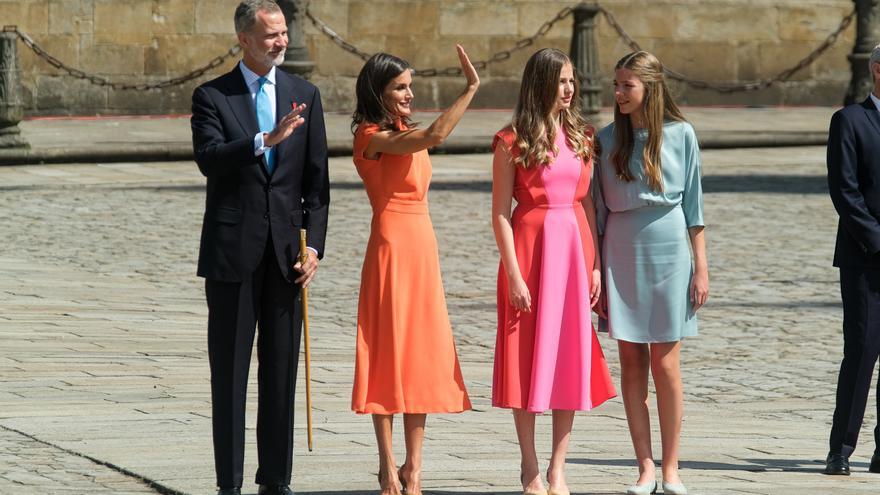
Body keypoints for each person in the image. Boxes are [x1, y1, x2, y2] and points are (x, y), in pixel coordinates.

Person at [190, 1, 329, 494]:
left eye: (284, 32)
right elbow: (209, 160)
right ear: (244, 39)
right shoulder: (213, 96)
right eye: (270, 34)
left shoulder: (304, 94)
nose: (281, 42)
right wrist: (262, 140)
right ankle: (228, 483)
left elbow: (316, 186)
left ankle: (275, 480)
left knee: (280, 374)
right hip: (233, 255)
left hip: (287, 256)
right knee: (229, 376)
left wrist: (316, 250)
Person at [350, 46, 477, 495]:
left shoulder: (404, 129)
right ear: (378, 92)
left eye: (409, 86)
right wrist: (471, 90)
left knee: (420, 353)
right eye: (399, 87)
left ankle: (414, 469)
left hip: (422, 246)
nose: (408, 94)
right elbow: (436, 136)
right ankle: (387, 467)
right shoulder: (370, 136)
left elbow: (425, 139)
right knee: (387, 353)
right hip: (390, 247)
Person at [491, 47, 617, 495]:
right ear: (540, 83)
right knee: (526, 361)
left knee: (568, 361)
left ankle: (559, 468)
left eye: (571, 80)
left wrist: (596, 264)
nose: (569, 88)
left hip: (573, 256)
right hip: (528, 251)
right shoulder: (511, 141)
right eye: (561, 80)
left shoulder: (584, 136)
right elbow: (501, 213)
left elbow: (586, 204)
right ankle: (530, 468)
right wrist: (513, 274)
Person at [594, 51, 708, 495]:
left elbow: (695, 208)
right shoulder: (605, 140)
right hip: (620, 250)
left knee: (666, 363)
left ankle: (671, 468)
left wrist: (702, 268)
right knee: (631, 361)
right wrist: (597, 271)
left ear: (650, 88)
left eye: (628, 86)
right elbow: (598, 212)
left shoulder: (682, 135)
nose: (619, 93)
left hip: (669, 248)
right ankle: (644, 467)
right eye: (617, 85)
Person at [823, 42, 880, 477]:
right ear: (877, 72)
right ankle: (841, 448)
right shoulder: (850, 120)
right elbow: (845, 191)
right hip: (866, 257)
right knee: (861, 352)